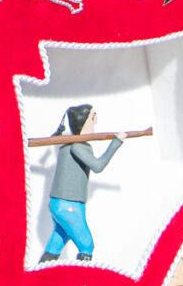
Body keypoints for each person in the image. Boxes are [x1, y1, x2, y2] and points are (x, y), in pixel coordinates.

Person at [38, 104, 126, 264]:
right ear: (86, 121)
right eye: (93, 116)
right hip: (69, 206)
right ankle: (82, 277)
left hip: (60, 204)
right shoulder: (78, 147)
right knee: (86, 245)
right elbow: (98, 166)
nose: (95, 121)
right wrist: (116, 142)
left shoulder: (67, 146)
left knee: (56, 243)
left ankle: (41, 272)